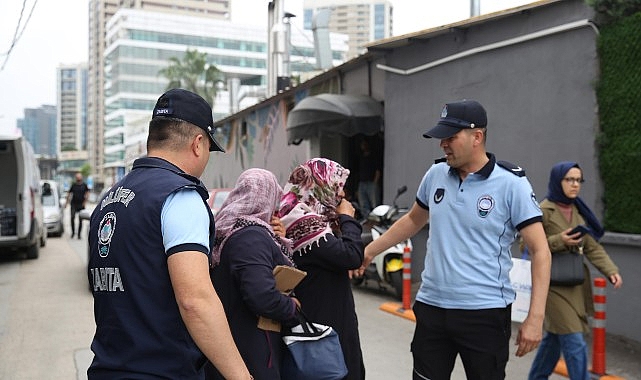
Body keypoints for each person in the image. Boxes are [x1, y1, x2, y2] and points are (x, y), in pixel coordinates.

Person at [356, 99, 552, 380]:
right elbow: (413, 219)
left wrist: (536, 317)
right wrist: (370, 250)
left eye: (451, 137)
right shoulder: (436, 174)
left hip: (485, 313)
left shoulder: (512, 184)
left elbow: (540, 251)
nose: (442, 144)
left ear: (477, 137)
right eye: (441, 138)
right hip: (432, 308)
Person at [87, 88, 252, 380]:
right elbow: (195, 300)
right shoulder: (180, 197)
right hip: (163, 372)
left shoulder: (109, 200)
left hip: (108, 369)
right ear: (198, 144)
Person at [528, 161, 623, 380]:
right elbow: (527, 246)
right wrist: (558, 241)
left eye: (578, 180)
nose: (575, 185)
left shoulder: (578, 211)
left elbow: (591, 246)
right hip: (551, 286)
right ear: (557, 180)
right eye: (569, 179)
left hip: (574, 284)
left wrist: (611, 270)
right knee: (574, 340)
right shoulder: (544, 210)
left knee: (553, 341)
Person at [205, 168, 300, 380]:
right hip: (250, 349)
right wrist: (291, 308)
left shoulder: (231, 229)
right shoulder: (250, 237)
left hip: (234, 341)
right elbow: (262, 296)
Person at [279, 158, 366, 380]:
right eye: (337, 186)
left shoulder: (300, 220)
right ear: (321, 186)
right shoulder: (305, 226)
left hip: (318, 322)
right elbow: (352, 256)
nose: (342, 195)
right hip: (322, 331)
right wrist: (347, 219)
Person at [356, 139, 382, 217]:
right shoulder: (361, 157)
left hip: (371, 182)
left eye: (364, 144)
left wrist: (375, 182)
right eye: (362, 144)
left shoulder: (374, 156)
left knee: (374, 203)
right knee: (363, 204)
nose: (363, 146)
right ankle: (366, 219)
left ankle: (376, 219)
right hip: (362, 182)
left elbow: (378, 170)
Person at [66, 172, 89, 239]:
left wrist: (85, 202)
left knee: (80, 219)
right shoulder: (73, 185)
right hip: (73, 204)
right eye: (77, 177)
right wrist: (67, 202)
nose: (78, 178)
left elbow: (87, 193)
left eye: (79, 177)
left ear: (81, 178)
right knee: (72, 217)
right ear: (76, 178)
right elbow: (69, 193)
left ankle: (79, 234)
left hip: (81, 204)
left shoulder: (84, 185)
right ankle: (73, 233)